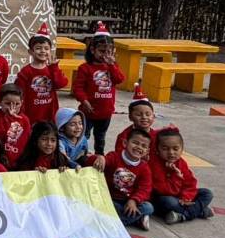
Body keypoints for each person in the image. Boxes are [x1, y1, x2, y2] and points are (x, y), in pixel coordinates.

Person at [72, 21, 125, 155]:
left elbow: (120, 79)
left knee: (100, 137)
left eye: (109, 52)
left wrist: (112, 65)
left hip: (105, 112)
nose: (105, 55)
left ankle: (98, 156)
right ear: (92, 50)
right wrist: (84, 101)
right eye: (102, 51)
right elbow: (78, 88)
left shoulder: (112, 67)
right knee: (83, 136)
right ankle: (80, 155)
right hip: (88, 110)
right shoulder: (85, 68)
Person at [88, 127, 154, 230]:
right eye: (135, 143)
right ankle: (136, 219)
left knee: (148, 207)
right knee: (105, 207)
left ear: (147, 151)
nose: (139, 147)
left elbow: (145, 188)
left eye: (144, 146)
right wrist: (99, 158)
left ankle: (111, 222)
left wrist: (134, 200)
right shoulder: (114, 157)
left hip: (128, 201)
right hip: (110, 198)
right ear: (125, 143)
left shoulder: (144, 168)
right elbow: (93, 162)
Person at [150, 128, 214, 224]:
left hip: (180, 197)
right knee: (169, 202)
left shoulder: (181, 163)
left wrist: (186, 198)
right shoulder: (154, 164)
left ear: (182, 149)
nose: (171, 152)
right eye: (165, 149)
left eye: (175, 149)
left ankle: (183, 216)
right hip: (163, 198)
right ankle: (200, 211)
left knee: (207, 193)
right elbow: (165, 190)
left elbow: (190, 183)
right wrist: (175, 175)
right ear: (157, 150)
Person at [15, 23, 67, 124]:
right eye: (38, 48)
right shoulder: (26, 71)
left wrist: (54, 68)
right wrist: (21, 113)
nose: (43, 51)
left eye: (46, 48)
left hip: (49, 114)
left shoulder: (52, 69)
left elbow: (61, 84)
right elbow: (20, 94)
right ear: (30, 51)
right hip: (30, 115)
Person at [0, 84, 31, 169]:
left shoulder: (24, 119)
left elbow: (27, 141)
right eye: (8, 103)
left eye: (16, 104)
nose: (12, 108)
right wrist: (8, 118)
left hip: (19, 161)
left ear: (22, 103)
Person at [114, 82, 159, 158]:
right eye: (139, 114)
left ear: (153, 116)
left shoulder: (158, 136)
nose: (144, 117)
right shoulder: (124, 136)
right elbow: (119, 157)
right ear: (130, 117)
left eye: (148, 114)